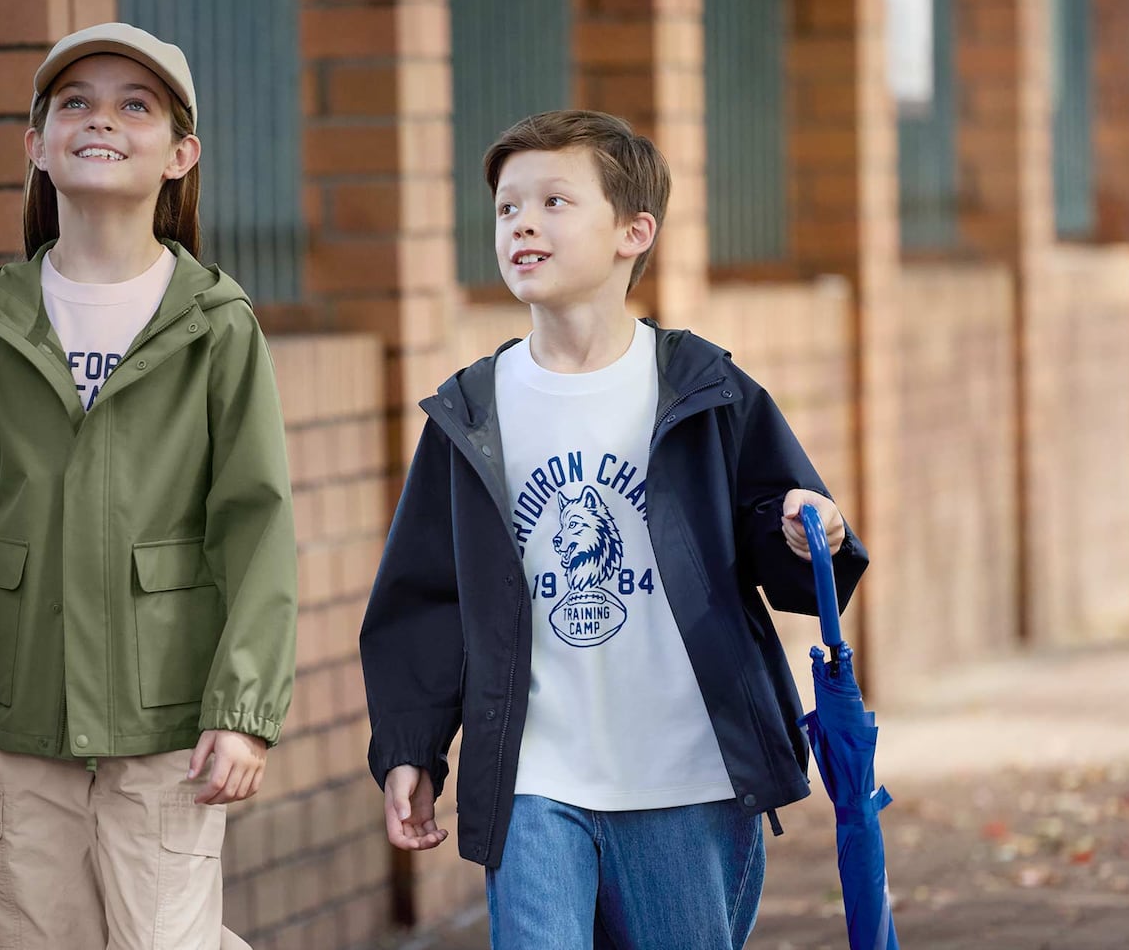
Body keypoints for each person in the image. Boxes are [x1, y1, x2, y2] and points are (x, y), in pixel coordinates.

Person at [359, 109, 870, 949]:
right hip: (534, 774)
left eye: (555, 201)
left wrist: (805, 525)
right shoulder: (472, 410)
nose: (522, 221)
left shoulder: (702, 387)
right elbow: (423, 596)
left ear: (635, 232)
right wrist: (411, 746)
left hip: (686, 774)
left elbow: (786, 544)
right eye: (506, 207)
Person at [0, 23, 297, 950]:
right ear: (38, 147)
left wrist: (243, 714)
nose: (103, 120)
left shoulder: (215, 326)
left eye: (136, 105)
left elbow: (256, 526)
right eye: (75, 103)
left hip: (166, 726)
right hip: (24, 728)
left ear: (180, 155)